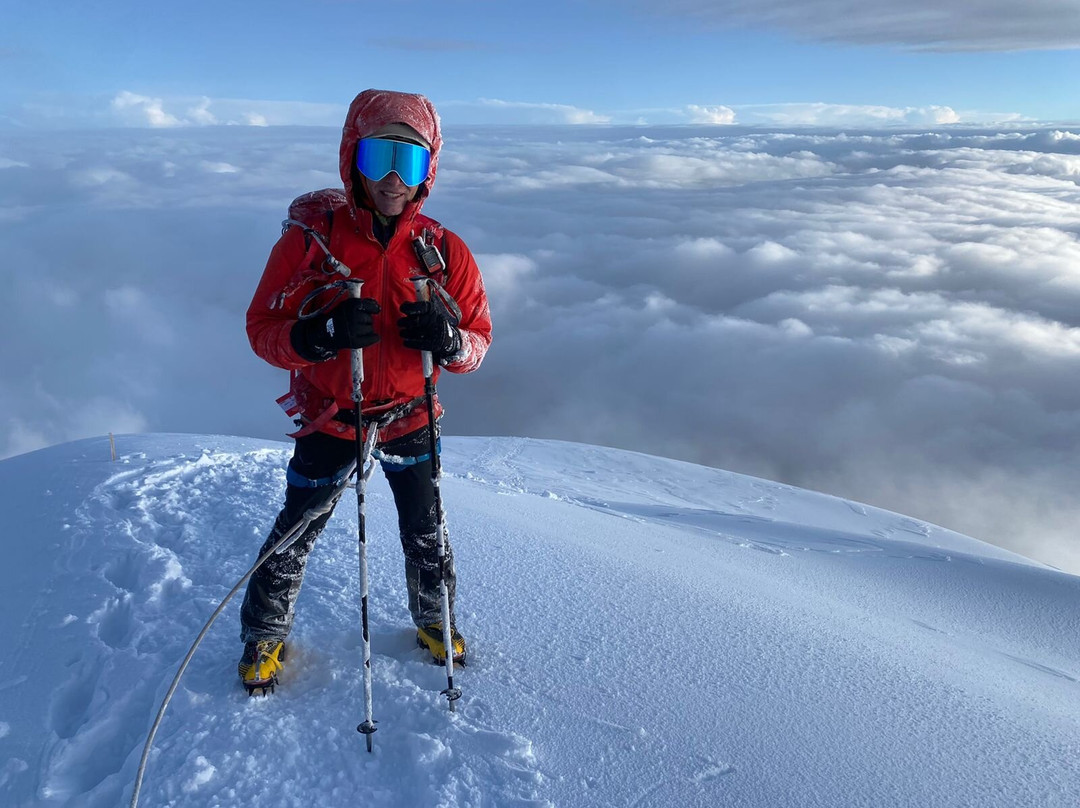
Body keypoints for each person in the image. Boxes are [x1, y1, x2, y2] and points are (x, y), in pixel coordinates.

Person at [238, 89, 492, 692]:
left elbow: (477, 344)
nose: (392, 179)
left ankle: (435, 617)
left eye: (410, 162)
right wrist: (318, 336)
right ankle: (264, 631)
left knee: (425, 524)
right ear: (352, 155)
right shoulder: (310, 243)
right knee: (299, 525)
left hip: (411, 411)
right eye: (380, 157)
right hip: (332, 415)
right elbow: (263, 331)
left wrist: (448, 339)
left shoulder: (443, 250)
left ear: (430, 169)